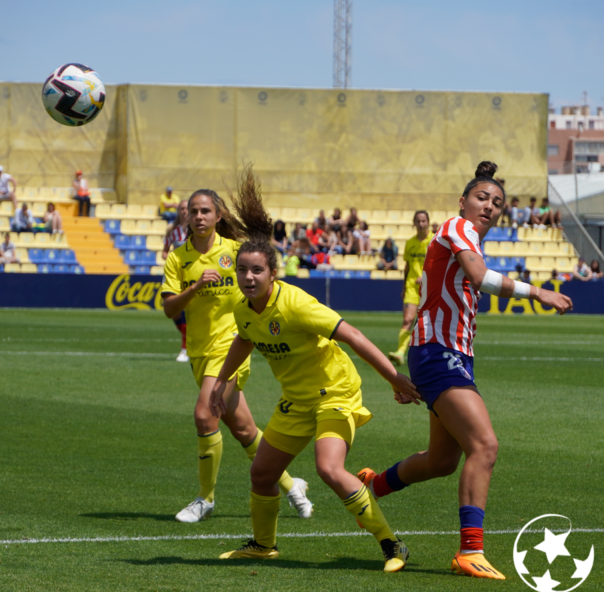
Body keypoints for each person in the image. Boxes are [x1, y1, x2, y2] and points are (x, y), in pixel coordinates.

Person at [356, 161, 573, 580]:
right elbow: (480, 277)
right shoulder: (458, 227)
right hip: (438, 353)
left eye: (497, 203)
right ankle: (470, 551)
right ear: (463, 201)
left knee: (441, 460)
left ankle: (372, 486)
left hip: (445, 352)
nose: (489, 206)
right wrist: (539, 292)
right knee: (485, 446)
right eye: (481, 198)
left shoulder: (465, 237)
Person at [211, 165, 419, 571]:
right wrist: (222, 381)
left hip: (336, 392)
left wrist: (394, 377)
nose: (249, 277)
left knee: (328, 468)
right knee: (262, 472)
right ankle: (263, 545)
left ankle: (392, 545)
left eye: (257, 271)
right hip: (297, 399)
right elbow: (244, 338)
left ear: (274, 273)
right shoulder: (244, 309)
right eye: (242, 270)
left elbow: (353, 335)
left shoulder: (297, 304)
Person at [161, 187, 312, 523]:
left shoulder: (235, 252)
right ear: (186, 215)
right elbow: (169, 307)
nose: (199, 217)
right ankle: (291, 485)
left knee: (204, 414)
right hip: (200, 352)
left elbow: (265, 283)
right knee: (244, 430)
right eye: (193, 211)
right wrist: (195, 287)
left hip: (233, 347)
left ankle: (205, 499)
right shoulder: (178, 257)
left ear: (218, 216)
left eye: (205, 211)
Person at [388, 211, 432, 365]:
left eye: (423, 221)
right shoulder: (410, 243)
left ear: (428, 222)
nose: (421, 224)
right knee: (407, 319)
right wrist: (403, 287)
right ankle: (400, 352)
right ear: (414, 223)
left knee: (428, 322)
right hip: (412, 287)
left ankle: (428, 355)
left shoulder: (434, 241)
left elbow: (440, 264)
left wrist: (426, 277)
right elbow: (407, 267)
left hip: (430, 287)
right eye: (418, 221)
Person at [161, 199, 191, 362]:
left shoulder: (197, 230)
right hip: (174, 274)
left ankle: (185, 349)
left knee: (188, 310)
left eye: (187, 208)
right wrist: (171, 258)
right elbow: (164, 252)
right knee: (172, 310)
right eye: (182, 209)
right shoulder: (172, 230)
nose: (185, 211)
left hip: (191, 274)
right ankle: (190, 339)